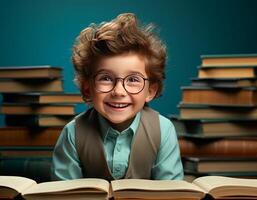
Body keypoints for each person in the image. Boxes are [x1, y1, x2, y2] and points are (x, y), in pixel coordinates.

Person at [52, 13, 183, 180]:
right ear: (87, 89)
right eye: (106, 78)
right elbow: (64, 194)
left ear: (150, 91)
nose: (119, 91)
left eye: (133, 80)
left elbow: (171, 193)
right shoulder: (73, 133)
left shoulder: (163, 131)